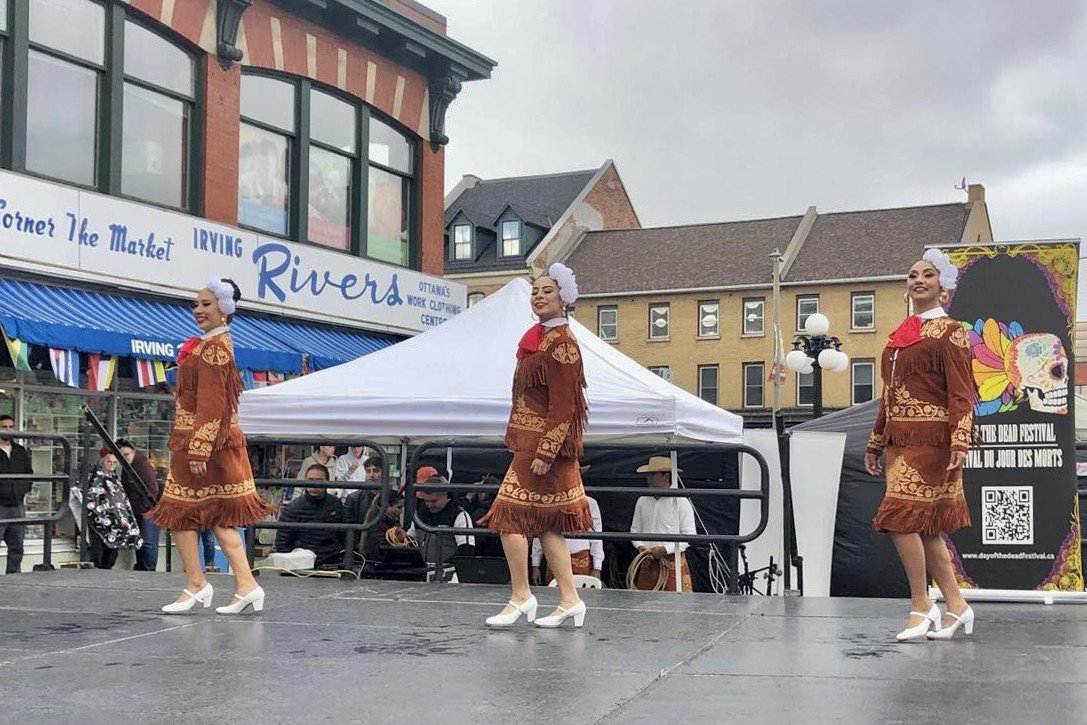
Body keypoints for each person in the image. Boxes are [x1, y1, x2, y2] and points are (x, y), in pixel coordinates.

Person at [865, 249, 976, 641]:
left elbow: (962, 391)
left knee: (898, 519)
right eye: (913, 274)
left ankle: (921, 604)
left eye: (928, 275)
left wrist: (961, 438)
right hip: (900, 442)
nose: (918, 280)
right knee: (925, 528)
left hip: (933, 442)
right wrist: (876, 441)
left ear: (942, 287)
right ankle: (957, 605)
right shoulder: (902, 334)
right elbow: (889, 393)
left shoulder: (951, 331)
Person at [147, 277, 272, 615]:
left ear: (225, 310)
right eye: (197, 304)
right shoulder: (207, 345)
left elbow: (214, 403)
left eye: (206, 304)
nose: (198, 309)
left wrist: (200, 448)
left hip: (207, 445)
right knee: (183, 514)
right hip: (197, 441)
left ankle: (226, 584)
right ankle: (210, 583)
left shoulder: (216, 348)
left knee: (211, 516)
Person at [480, 264, 594, 628]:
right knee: (546, 526)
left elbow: (565, 404)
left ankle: (521, 595)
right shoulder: (540, 338)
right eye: (536, 291)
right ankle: (570, 599)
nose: (540, 295)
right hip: (533, 443)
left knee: (508, 518)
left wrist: (546, 450)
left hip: (545, 448)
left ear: (563, 298)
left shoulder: (562, 344)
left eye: (547, 290)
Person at [630, 456, 696, 592]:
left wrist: (665, 549)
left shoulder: (681, 502)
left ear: (666, 476)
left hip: (671, 560)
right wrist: (640, 546)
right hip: (648, 559)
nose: (649, 478)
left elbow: (689, 536)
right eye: (649, 475)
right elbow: (634, 529)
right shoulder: (642, 501)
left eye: (653, 474)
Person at [274, 465, 348, 568]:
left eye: (318, 480)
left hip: (332, 562)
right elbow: (282, 544)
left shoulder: (335, 504)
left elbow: (345, 535)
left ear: (327, 481)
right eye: (310, 480)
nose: (313, 484)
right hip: (302, 565)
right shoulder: (293, 508)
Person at [405, 476, 475, 566]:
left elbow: (466, 550)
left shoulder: (459, 515)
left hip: (449, 574)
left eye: (433, 501)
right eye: (426, 501)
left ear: (445, 494)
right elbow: (410, 540)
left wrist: (445, 567)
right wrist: (401, 538)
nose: (429, 505)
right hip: (422, 571)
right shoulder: (420, 513)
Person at [115, 439, 161, 572]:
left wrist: (148, 508)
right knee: (140, 542)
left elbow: (153, 489)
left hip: (149, 509)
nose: (124, 458)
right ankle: (142, 568)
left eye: (127, 454)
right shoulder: (128, 466)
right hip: (138, 510)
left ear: (133, 451)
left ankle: (148, 570)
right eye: (121, 456)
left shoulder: (142, 465)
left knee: (148, 543)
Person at [0, 415, 32, 575]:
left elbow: (29, 474)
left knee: (17, 546)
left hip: (17, 505)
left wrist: (21, 491)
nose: (8, 430)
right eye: (4, 427)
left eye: (10, 426)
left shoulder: (20, 450)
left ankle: (14, 579)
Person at [88, 452, 122, 570]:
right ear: (103, 462)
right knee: (99, 547)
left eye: (114, 462)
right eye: (109, 461)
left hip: (114, 517)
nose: (112, 464)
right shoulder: (96, 477)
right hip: (99, 516)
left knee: (112, 550)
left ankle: (107, 566)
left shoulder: (115, 477)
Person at [463, 475, 504, 558]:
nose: (482, 495)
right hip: (478, 554)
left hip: (494, 554)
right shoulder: (473, 508)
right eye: (481, 491)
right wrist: (468, 498)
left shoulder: (503, 510)